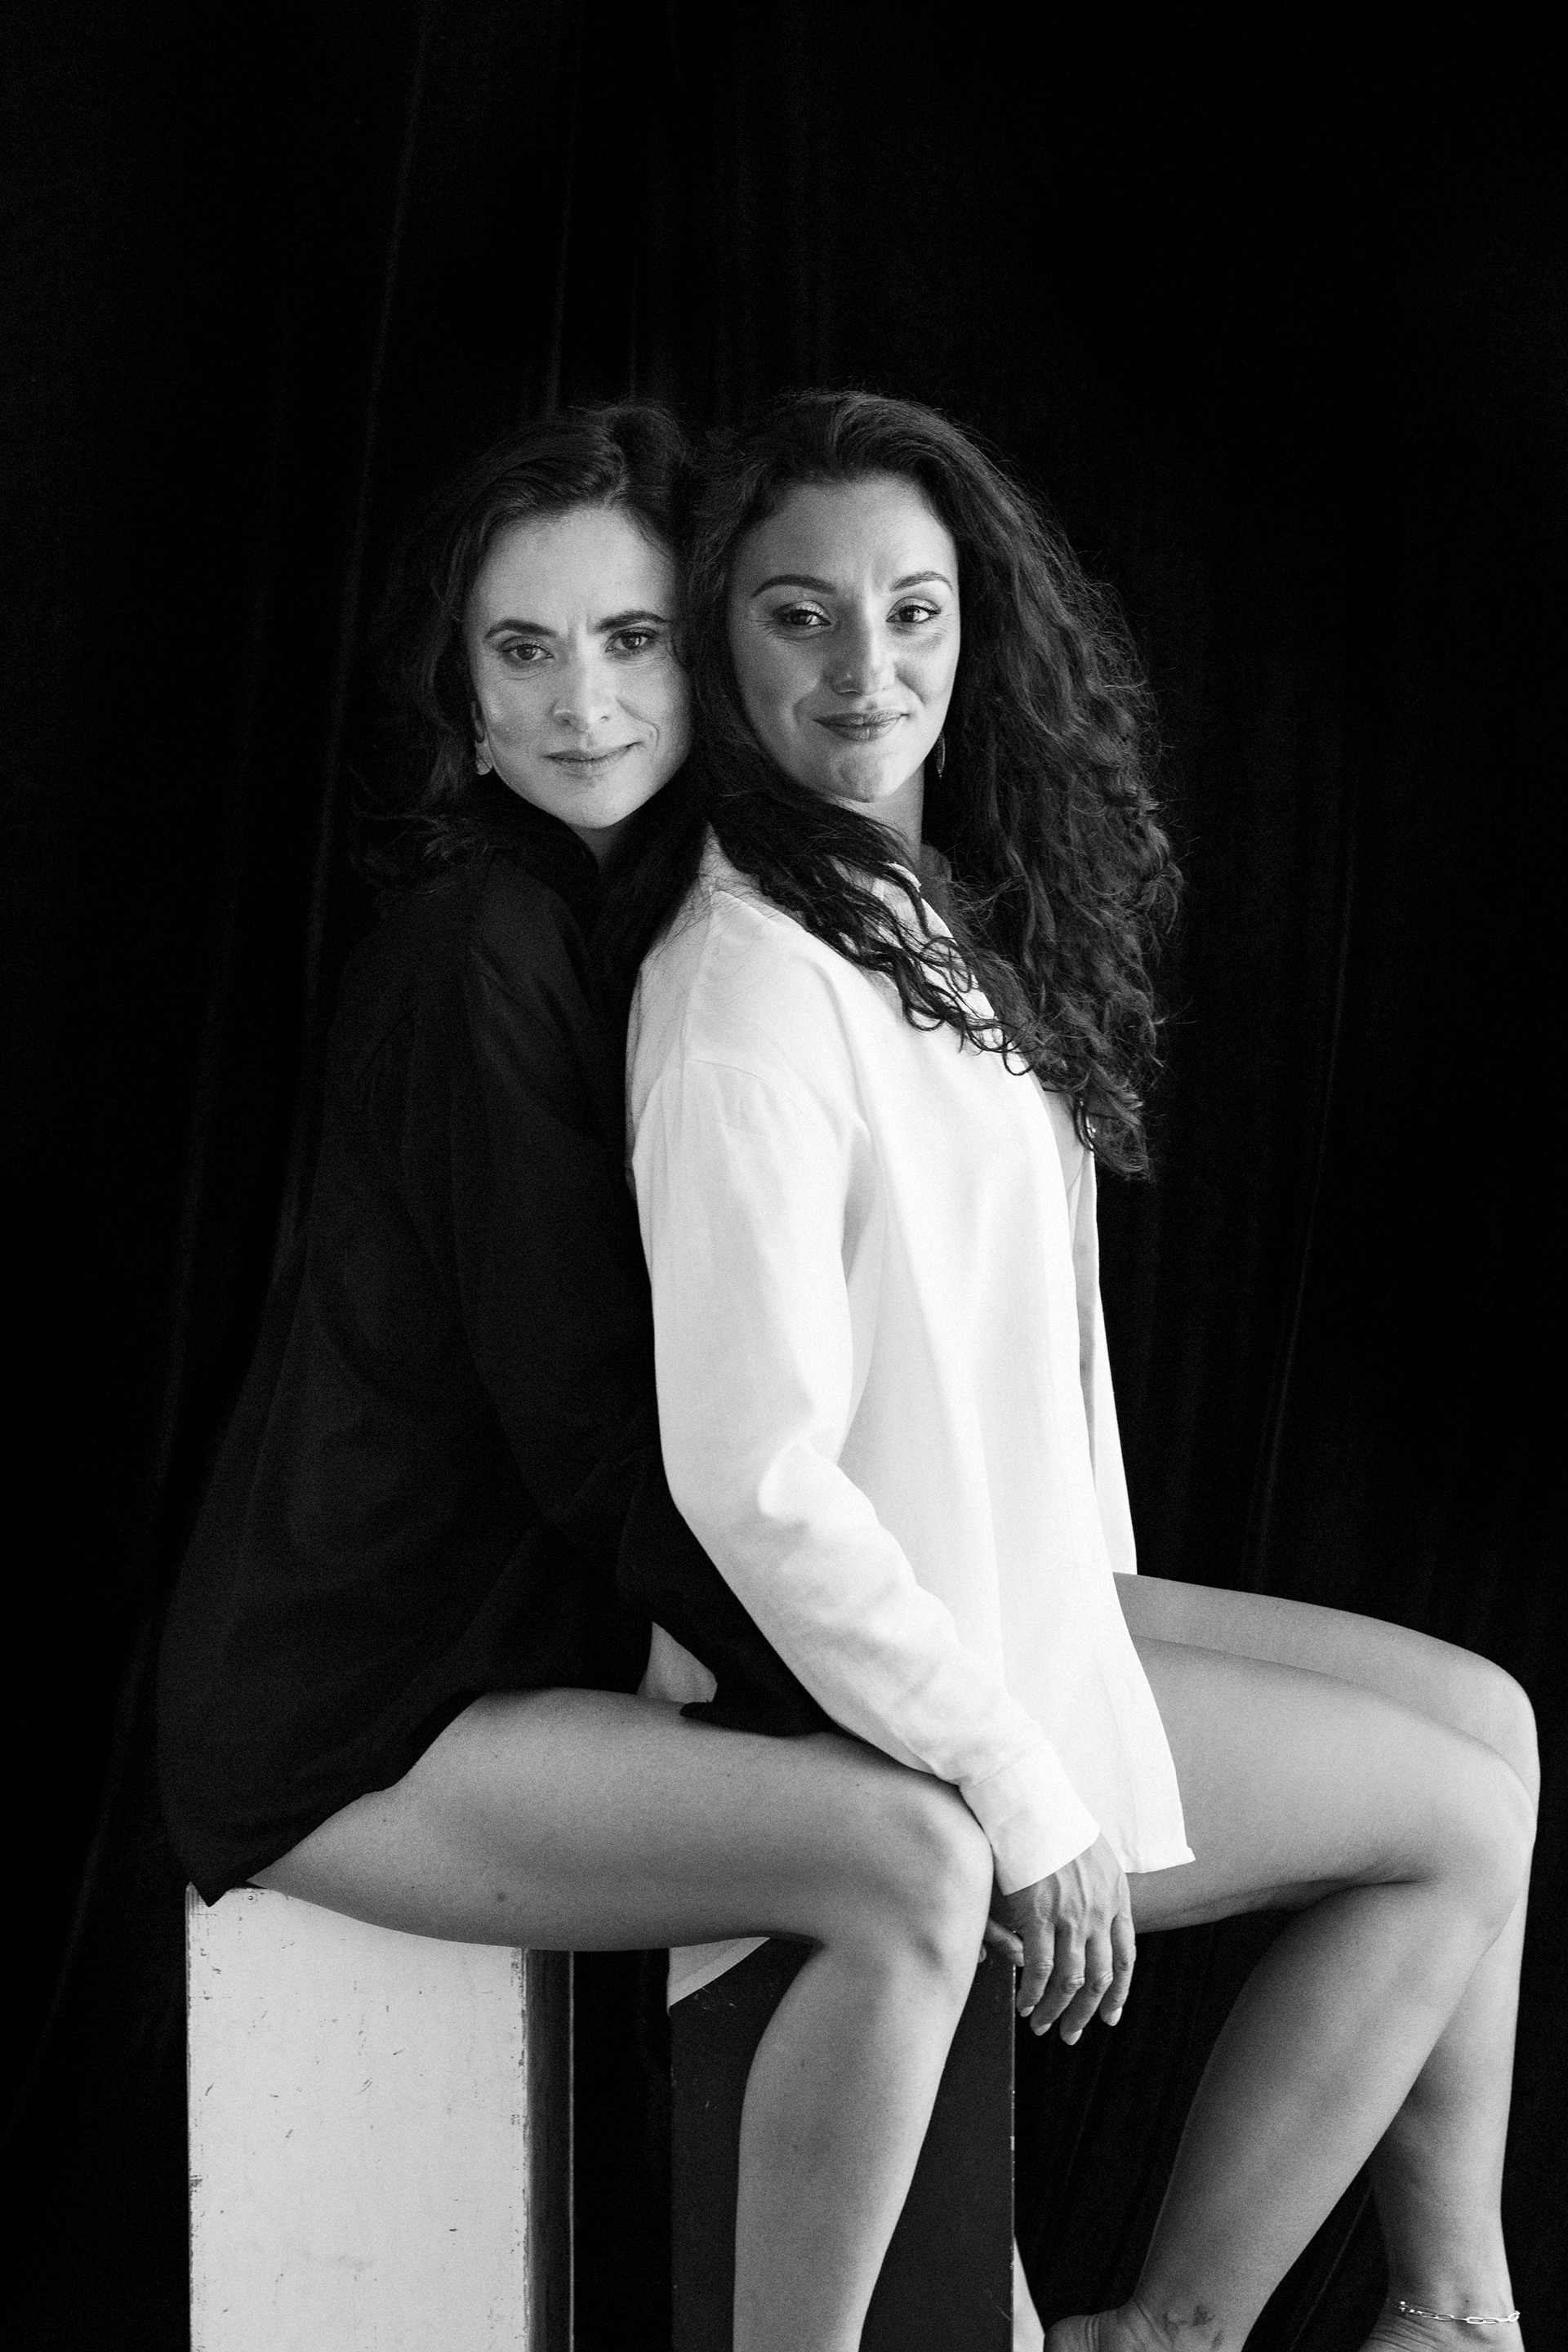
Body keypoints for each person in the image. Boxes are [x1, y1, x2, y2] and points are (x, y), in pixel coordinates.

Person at [626, 388, 1537, 2352]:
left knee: (1494, 1722)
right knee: (1462, 1823)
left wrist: (1105, 1602)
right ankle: (1227, 2330)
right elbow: (750, 1477)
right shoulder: (744, 1000)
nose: (865, 670)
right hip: (915, 1691)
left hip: (1032, 1595)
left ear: (976, 627)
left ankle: (1450, 2308)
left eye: (913, 612)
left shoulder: (910, 916)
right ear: (721, 641)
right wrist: (1031, 1787)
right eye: (799, 615)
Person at [156, 403, 1012, 2352]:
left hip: (500, 1660)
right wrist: (916, 1701)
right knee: (916, 1854)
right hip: (354, 1717)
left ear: (695, 657)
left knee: (917, 1801)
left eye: (629, 642)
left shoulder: (639, 929)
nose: (583, 705)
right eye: (522, 652)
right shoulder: (484, 951)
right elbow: (593, 1434)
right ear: (462, 700)